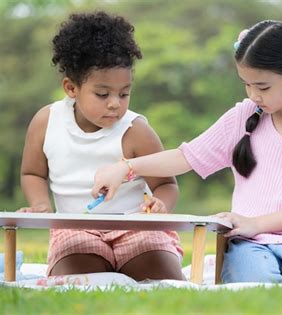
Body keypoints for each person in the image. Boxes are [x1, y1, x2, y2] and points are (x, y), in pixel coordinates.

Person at [92, 20, 282, 286]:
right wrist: (127, 167)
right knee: (250, 286)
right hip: (250, 239)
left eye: (263, 87)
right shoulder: (244, 116)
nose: (253, 95)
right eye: (247, 84)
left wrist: (257, 223)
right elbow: (186, 157)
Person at [18, 11, 184, 281]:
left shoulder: (136, 130)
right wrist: (40, 204)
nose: (115, 103)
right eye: (103, 94)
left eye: (125, 93)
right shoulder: (46, 122)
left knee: (164, 283)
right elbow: (33, 173)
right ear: (71, 88)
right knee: (77, 284)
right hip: (76, 229)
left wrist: (160, 204)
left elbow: (166, 183)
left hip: (136, 228)